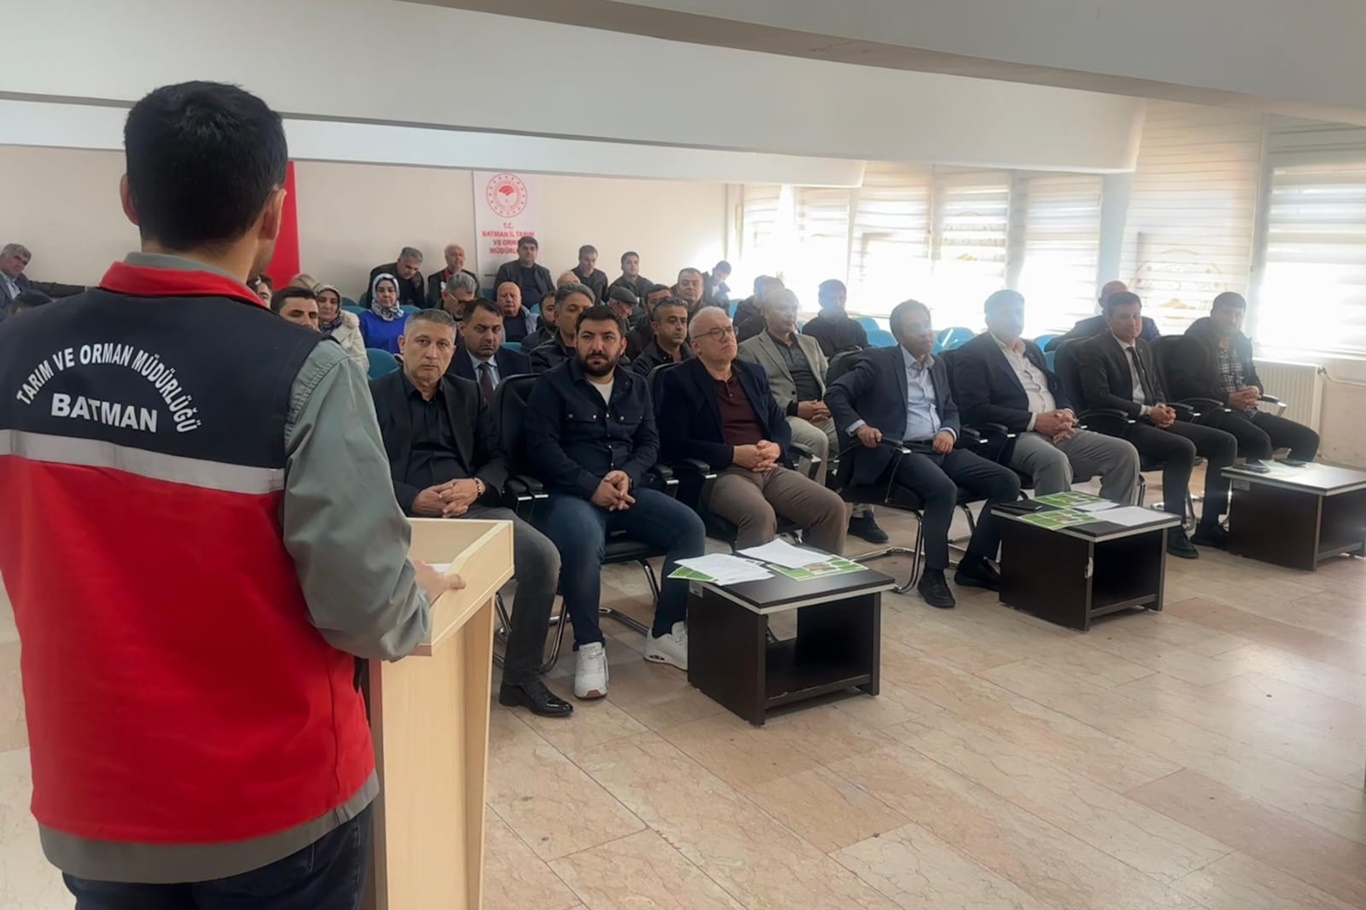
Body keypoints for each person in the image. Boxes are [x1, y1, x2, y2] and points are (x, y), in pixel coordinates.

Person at [0, 79, 459, 909]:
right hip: (274, 805)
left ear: (129, 196)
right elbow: (366, 611)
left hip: (95, 794)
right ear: (272, 214)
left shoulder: (14, 353)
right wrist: (413, 591)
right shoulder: (307, 371)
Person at [370, 308, 570, 718]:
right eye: (423, 342)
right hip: (398, 514)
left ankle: (521, 677)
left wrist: (476, 486)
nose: (432, 353)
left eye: (442, 344)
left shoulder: (467, 393)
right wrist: (412, 498)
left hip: (469, 510)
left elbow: (497, 458)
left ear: (453, 350)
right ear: (402, 345)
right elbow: (359, 469)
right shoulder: (371, 396)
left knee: (542, 556)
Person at [525, 304, 705, 699]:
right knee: (583, 540)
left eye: (607, 337)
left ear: (622, 344)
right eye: (588, 337)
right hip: (572, 495)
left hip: (627, 489)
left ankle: (666, 631)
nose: (597, 346)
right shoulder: (552, 385)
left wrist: (630, 475)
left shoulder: (635, 385)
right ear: (575, 340)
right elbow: (541, 449)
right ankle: (589, 645)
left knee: (690, 527)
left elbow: (649, 442)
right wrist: (591, 486)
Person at [825, 299, 1021, 609]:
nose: (925, 333)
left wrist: (949, 431)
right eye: (915, 328)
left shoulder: (937, 364)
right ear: (899, 335)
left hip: (938, 446)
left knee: (1006, 481)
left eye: (927, 325)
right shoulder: (878, 361)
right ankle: (933, 573)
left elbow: (951, 409)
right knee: (943, 489)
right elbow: (835, 393)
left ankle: (974, 563)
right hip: (897, 451)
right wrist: (860, 426)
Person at [660, 307, 848, 554]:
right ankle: (753, 579)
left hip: (768, 467)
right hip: (719, 474)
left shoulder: (751, 373)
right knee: (760, 515)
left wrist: (776, 447)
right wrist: (733, 454)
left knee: (832, 507)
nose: (727, 337)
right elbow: (673, 443)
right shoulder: (678, 380)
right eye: (716, 332)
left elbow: (779, 422)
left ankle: (814, 576)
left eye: (729, 330)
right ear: (696, 346)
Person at [1074, 291, 1238, 558]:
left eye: (1136, 316)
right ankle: (1173, 527)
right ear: (1108, 319)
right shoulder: (1094, 349)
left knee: (1224, 442)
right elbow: (1098, 396)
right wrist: (1147, 411)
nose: (1132, 323)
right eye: (1124, 317)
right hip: (1120, 422)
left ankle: (1209, 524)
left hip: (1151, 417)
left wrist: (1163, 408)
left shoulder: (1144, 346)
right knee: (1182, 448)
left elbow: (1155, 387)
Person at [952, 290, 1140, 502]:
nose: (1014, 319)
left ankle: (1112, 519)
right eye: (1006, 313)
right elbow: (975, 409)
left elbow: (1056, 389)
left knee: (1124, 453)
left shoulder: (1031, 348)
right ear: (989, 319)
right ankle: (1055, 524)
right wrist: (1035, 421)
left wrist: (1066, 413)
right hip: (1015, 436)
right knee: (1054, 461)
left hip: (1058, 430)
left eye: (1019, 312)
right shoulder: (972, 353)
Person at [739, 288, 886, 543]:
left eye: (793, 308)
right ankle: (809, 514)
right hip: (784, 417)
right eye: (783, 308)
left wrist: (830, 403)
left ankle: (861, 513)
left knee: (861, 434)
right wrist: (794, 407)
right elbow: (754, 395)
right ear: (765, 312)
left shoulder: (810, 342)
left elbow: (830, 379)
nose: (790, 314)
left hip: (821, 412)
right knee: (816, 440)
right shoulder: (749, 349)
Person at [1169, 292, 1320, 463]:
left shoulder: (1241, 342)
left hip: (1246, 411)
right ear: (1213, 314)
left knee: (1308, 439)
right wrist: (1227, 398)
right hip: (1214, 412)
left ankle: (1285, 482)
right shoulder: (1193, 342)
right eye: (1227, 313)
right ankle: (1252, 482)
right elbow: (1183, 384)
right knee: (1260, 441)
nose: (1232, 320)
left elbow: (1252, 377)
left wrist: (1256, 389)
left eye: (1238, 315)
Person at [449, 297, 532, 399]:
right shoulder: (448, 365)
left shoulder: (520, 364)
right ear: (462, 329)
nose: (489, 337)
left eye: (496, 329)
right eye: (480, 329)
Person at [1048, 280, 1159, 349]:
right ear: (1101, 302)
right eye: (1114, 299)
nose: (1121, 302)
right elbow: (1052, 345)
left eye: (1125, 297)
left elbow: (1160, 349)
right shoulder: (1086, 327)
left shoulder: (1146, 324)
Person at [0, 242, 84, 312]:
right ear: (2, 257)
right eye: (17, 258)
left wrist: (85, 289)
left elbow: (49, 288)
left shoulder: (21, 280)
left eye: (24, 263)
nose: (20, 265)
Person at [530, 282, 593, 373]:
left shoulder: (604, 351)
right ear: (556, 317)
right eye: (572, 309)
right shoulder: (541, 356)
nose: (581, 315)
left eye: (586, 310)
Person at [802, 279, 868, 357]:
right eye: (831, 299)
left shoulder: (856, 327)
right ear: (821, 301)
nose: (838, 304)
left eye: (841, 298)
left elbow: (867, 355)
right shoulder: (810, 329)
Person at [630, 296, 693, 375]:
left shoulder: (696, 357)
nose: (680, 327)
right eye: (672, 321)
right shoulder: (643, 365)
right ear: (656, 327)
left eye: (683, 321)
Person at [494, 236, 554, 312]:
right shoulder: (506, 269)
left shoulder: (544, 272)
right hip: (517, 310)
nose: (529, 252)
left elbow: (553, 294)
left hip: (542, 310)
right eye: (525, 248)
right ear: (518, 251)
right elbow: (498, 294)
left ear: (536, 252)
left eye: (532, 249)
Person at [317, 283, 368, 367]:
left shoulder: (350, 325)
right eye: (322, 300)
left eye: (333, 302)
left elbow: (361, 361)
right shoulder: (306, 326)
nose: (327, 306)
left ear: (338, 306)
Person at [359, 273, 407, 354]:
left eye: (390, 290)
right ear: (375, 294)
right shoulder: (363, 320)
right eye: (381, 291)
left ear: (397, 293)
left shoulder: (408, 319)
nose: (386, 294)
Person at [625, 283, 673, 359]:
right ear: (646, 308)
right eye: (654, 302)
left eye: (666, 300)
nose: (660, 305)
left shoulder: (685, 330)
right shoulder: (632, 339)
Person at [426, 243, 479, 308]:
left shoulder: (472, 277)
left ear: (464, 258)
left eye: (460, 255)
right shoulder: (435, 279)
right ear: (446, 258)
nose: (458, 258)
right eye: (454, 255)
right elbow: (434, 302)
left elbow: (479, 299)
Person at [734, 275, 783, 342]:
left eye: (780, 295)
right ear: (757, 295)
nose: (778, 300)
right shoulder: (749, 323)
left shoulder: (786, 318)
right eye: (769, 294)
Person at [496, 280, 538, 344]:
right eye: (504, 296)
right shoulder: (489, 321)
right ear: (497, 299)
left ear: (520, 299)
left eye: (513, 296)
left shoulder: (536, 320)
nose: (509, 300)